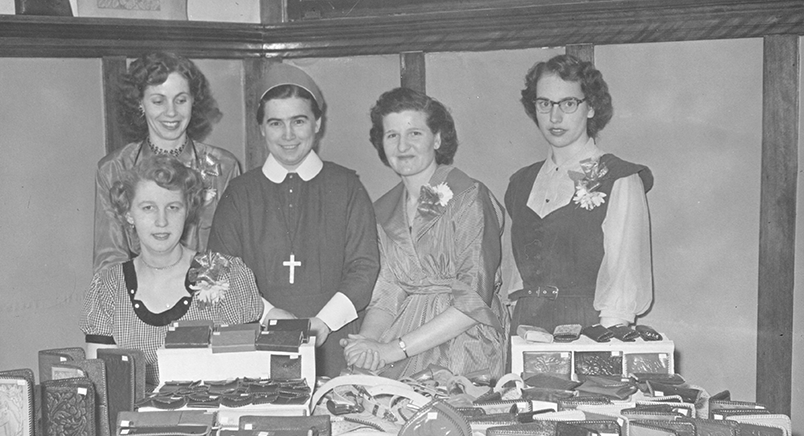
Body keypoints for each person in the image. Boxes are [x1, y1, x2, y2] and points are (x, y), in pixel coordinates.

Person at [208, 63, 380, 377]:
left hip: (334, 342)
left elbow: (364, 266)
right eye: (276, 123)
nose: (288, 135)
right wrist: (270, 315)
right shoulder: (239, 193)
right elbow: (219, 273)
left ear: (317, 123)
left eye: (298, 121)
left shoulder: (346, 187)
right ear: (261, 128)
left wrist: (324, 323)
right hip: (257, 339)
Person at [342, 87, 507, 379]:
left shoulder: (468, 196)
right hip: (401, 333)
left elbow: (473, 300)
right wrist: (367, 344)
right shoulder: (383, 209)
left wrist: (394, 349)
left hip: (461, 341)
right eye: (392, 135)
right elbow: (388, 291)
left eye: (415, 133)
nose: (402, 145)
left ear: (438, 139)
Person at [503, 54, 653, 335]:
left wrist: (606, 344)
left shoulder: (618, 178)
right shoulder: (520, 183)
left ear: (591, 107)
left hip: (588, 330)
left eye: (568, 103)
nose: (554, 116)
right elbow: (514, 281)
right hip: (525, 329)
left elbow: (622, 281)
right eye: (544, 103)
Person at [81, 155, 263, 385]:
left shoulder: (223, 273)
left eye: (173, 208)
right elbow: (103, 388)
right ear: (129, 214)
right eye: (148, 208)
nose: (162, 221)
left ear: (187, 211)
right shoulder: (109, 285)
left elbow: (249, 372)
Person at [93, 52, 240, 274]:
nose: (171, 112)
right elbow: (109, 261)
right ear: (140, 103)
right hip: (141, 296)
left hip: (206, 296)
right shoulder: (114, 169)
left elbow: (231, 254)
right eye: (158, 101)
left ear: (193, 102)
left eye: (181, 100)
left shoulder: (224, 167)